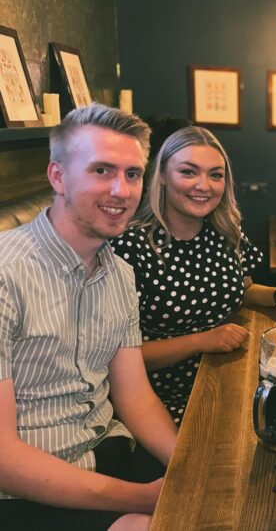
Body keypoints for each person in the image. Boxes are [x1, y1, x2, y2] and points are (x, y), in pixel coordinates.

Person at [0, 103, 178, 530]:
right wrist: (144, 500)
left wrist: (187, 465)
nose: (121, 191)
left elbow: (134, 397)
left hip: (110, 454)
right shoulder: (6, 271)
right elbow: (3, 458)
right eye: (102, 170)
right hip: (28, 489)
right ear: (57, 176)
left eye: (132, 174)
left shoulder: (119, 274)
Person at [112, 126, 276, 425]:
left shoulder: (223, 231)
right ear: (162, 178)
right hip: (167, 398)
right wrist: (201, 340)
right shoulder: (130, 246)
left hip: (231, 375)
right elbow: (120, 357)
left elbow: (242, 289)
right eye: (188, 172)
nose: (204, 185)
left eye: (215, 175)